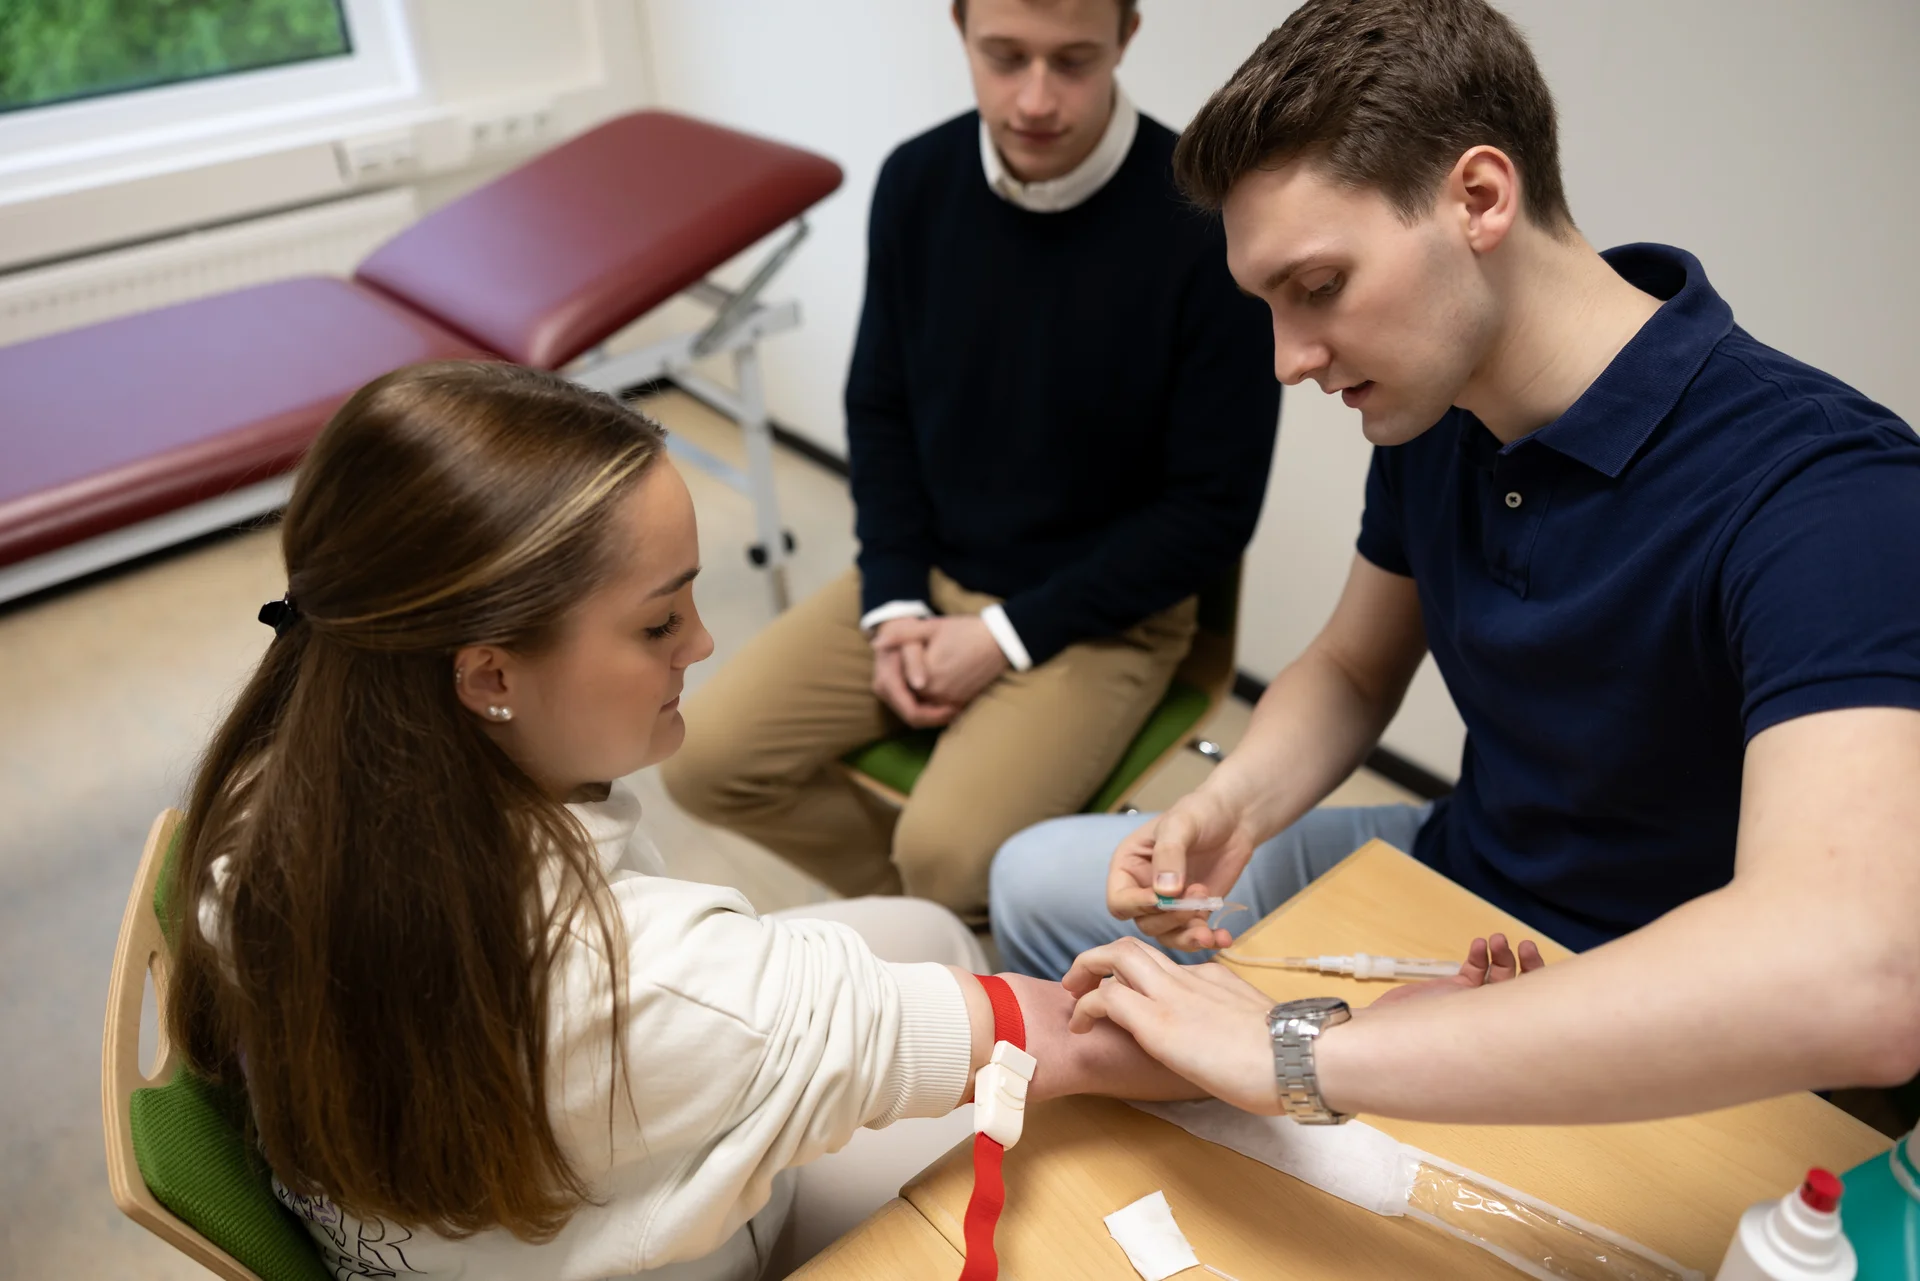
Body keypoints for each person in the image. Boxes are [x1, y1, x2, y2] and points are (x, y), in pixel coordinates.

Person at [993, 0, 1920, 1126]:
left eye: (1320, 287)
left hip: (1661, 985)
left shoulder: (1832, 496)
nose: (1288, 361)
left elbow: (1858, 977)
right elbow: (1350, 669)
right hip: (1463, 871)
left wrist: (1295, 1053)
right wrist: (1232, 806)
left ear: (1479, 198)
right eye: (1269, 305)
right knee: (1036, 881)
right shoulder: (1440, 410)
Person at [163, 363, 1196, 1281]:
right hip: (636, 1211)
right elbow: (1047, 1040)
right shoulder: (646, 983)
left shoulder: (277, 786)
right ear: (487, 675)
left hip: (481, 1216)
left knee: (924, 930)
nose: (702, 644)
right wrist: (1285, 1043)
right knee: (1069, 1173)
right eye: (659, 621)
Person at [661, 0, 1279, 920]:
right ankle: (946, 930)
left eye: (1073, 61)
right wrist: (898, 599)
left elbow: (1211, 511)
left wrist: (999, 639)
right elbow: (880, 409)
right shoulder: (917, 180)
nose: (1035, 99)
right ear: (960, 31)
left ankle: (949, 914)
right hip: (937, 573)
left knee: (947, 853)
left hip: (1105, 617)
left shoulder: (1206, 223)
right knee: (701, 757)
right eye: (1004, 57)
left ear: (1127, 37)